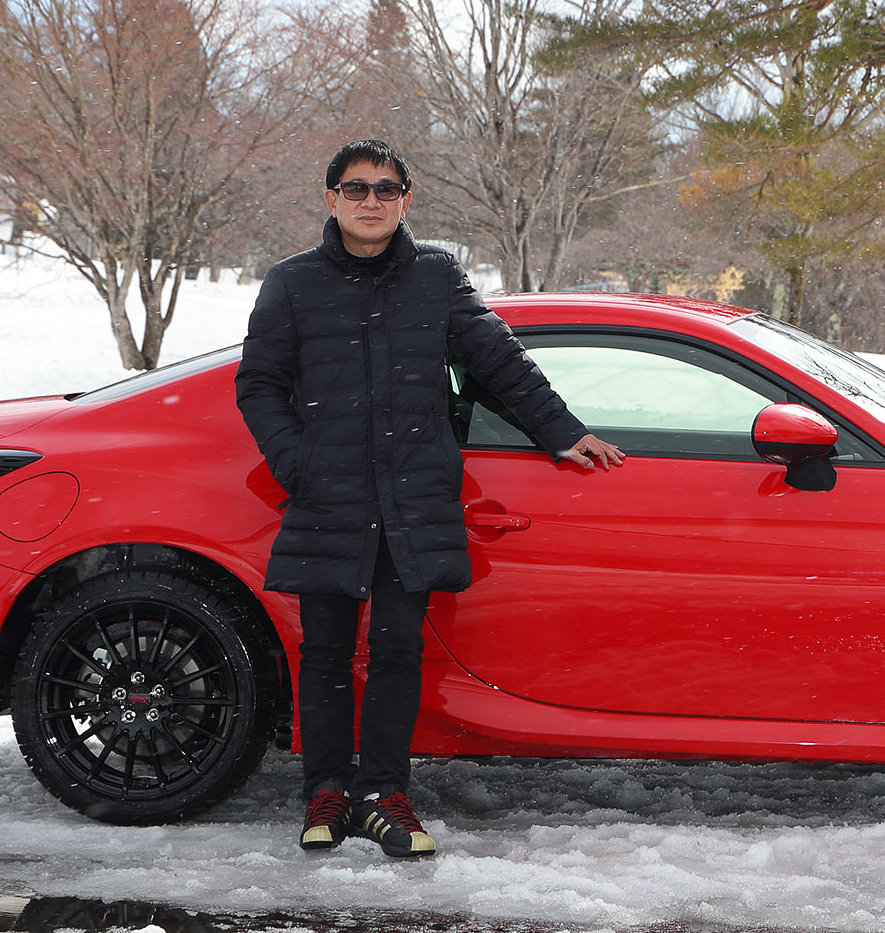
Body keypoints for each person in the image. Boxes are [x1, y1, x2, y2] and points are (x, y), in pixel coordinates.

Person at [234, 139, 624, 859]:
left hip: (414, 499)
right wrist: (300, 463)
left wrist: (562, 431)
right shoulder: (293, 284)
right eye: (356, 189)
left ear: (407, 201)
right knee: (322, 651)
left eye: (386, 189)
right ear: (332, 200)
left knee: (396, 649)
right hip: (329, 495)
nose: (372, 201)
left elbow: (498, 360)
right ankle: (326, 790)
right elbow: (257, 383)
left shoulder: (437, 277)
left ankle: (385, 793)